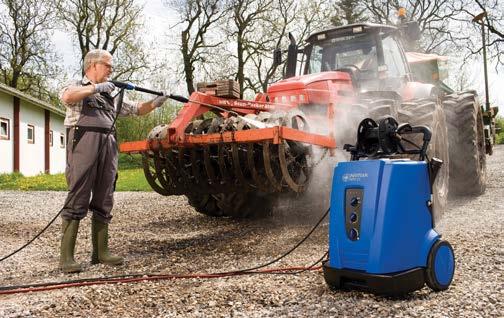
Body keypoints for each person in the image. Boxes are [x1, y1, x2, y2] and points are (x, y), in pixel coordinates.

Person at [58, 49, 168, 273]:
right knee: (78, 195)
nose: (111, 70)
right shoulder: (77, 85)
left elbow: (137, 110)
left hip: (108, 147)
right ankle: (66, 258)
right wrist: (95, 88)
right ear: (92, 65)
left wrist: (155, 103)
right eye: (107, 65)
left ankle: (100, 253)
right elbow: (67, 97)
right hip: (84, 146)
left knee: (105, 195)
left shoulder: (112, 95)